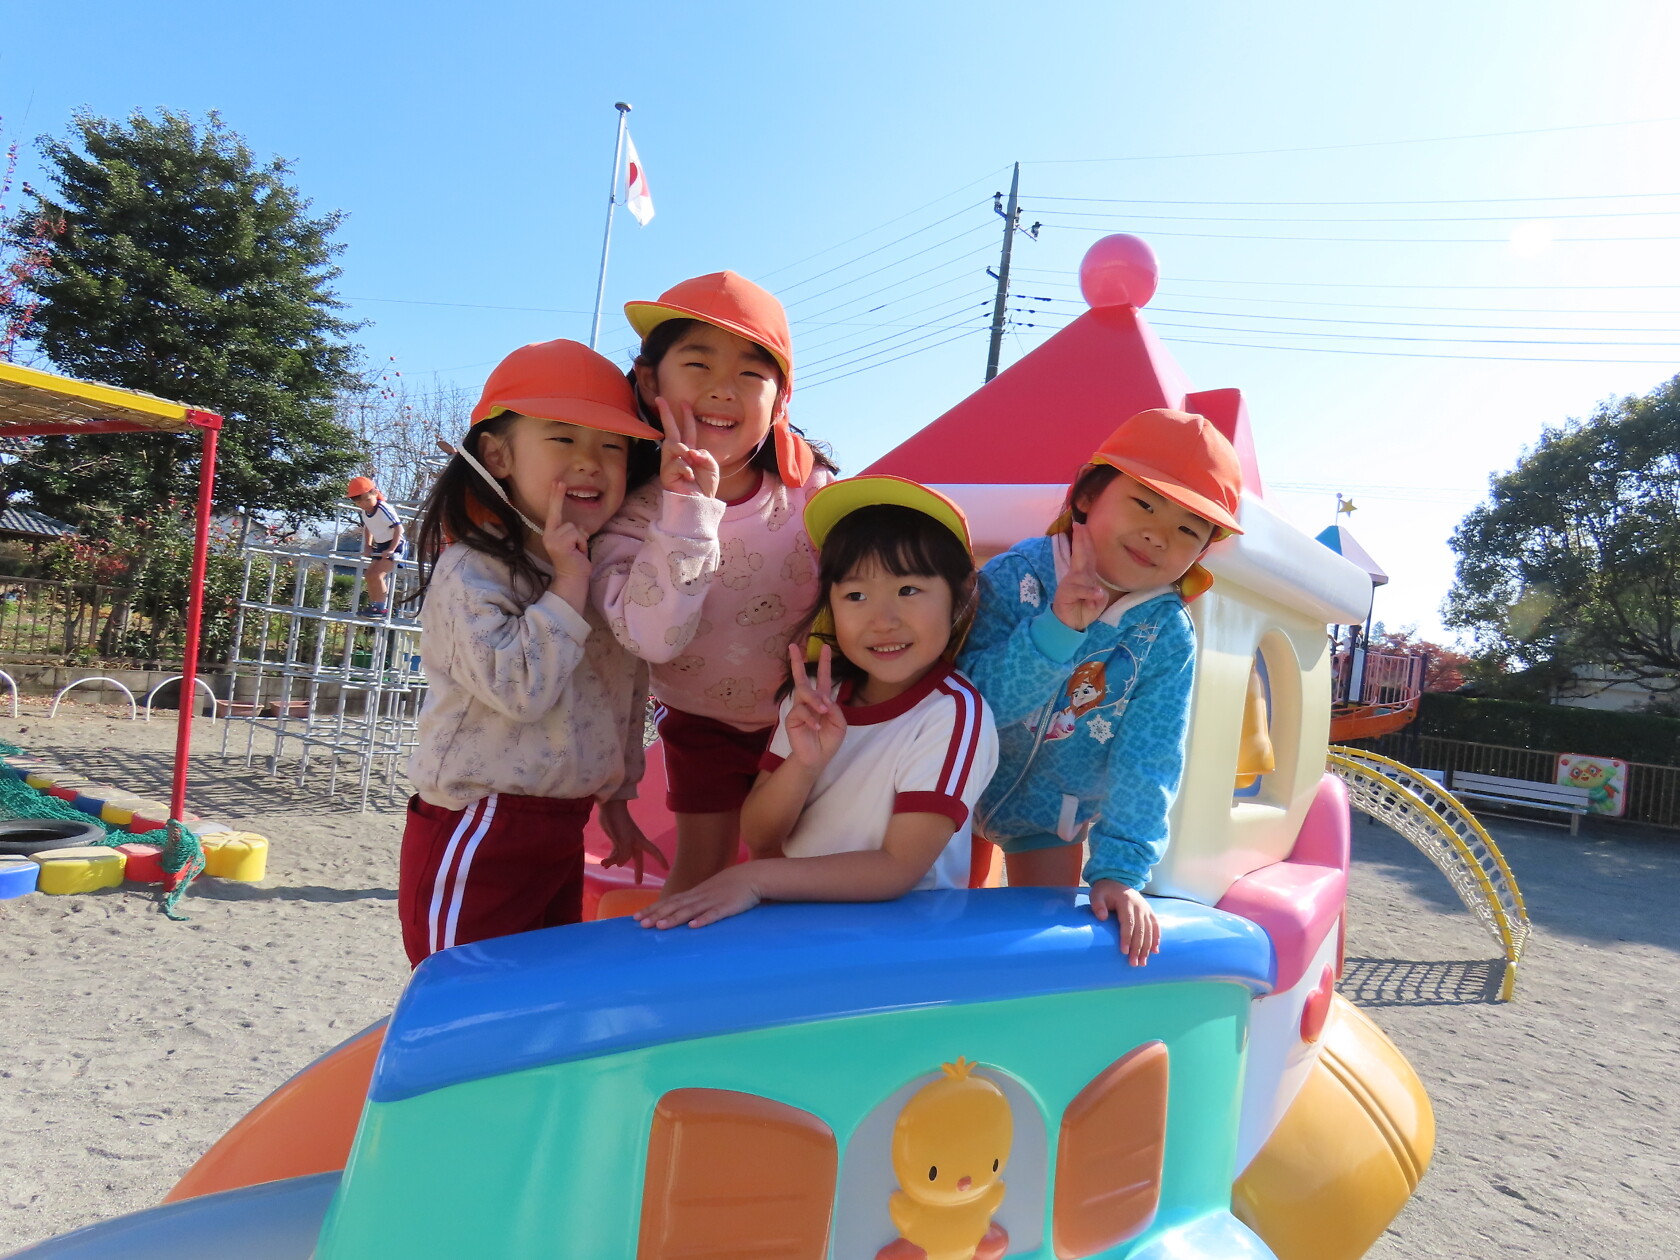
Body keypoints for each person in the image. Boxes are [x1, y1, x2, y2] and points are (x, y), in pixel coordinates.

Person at [397, 339, 666, 966]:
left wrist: (619, 796)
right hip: (479, 823)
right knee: (462, 996)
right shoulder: (474, 569)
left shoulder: (602, 572)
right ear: (498, 455)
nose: (590, 462)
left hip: (564, 823)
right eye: (563, 439)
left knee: (536, 996)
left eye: (612, 447)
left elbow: (625, 689)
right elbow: (519, 688)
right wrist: (567, 585)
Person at [635, 476, 997, 930]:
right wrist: (803, 766)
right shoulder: (814, 697)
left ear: (961, 593)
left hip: (897, 945)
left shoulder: (953, 713)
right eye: (856, 595)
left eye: (908, 590)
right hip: (797, 935)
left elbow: (898, 867)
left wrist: (753, 879)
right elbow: (760, 835)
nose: (882, 620)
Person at [957, 408, 1243, 966]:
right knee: (941, 922)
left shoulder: (1166, 635)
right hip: (953, 791)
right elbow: (970, 704)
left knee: (1040, 942)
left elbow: (1149, 758)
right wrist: (1057, 630)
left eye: (1188, 530)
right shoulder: (1019, 575)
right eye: (1144, 504)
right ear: (1087, 496)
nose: (1158, 535)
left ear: (1201, 552)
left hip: (1052, 813)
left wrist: (1119, 870)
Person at [593, 271, 840, 896]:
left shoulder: (813, 495)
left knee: (795, 864)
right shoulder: (632, 513)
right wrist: (685, 507)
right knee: (701, 868)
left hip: (808, 716)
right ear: (651, 381)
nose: (723, 389)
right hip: (701, 722)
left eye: (751, 373)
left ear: (781, 400)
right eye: (698, 364)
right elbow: (654, 639)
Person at [346, 476, 405, 616]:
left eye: (367, 500)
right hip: (381, 545)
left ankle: (382, 608)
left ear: (375, 493)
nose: (364, 505)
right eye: (359, 503)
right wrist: (368, 545)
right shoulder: (365, 512)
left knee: (378, 575)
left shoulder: (383, 509)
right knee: (369, 575)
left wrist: (391, 549)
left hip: (396, 544)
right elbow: (368, 527)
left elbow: (399, 529)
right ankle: (374, 605)